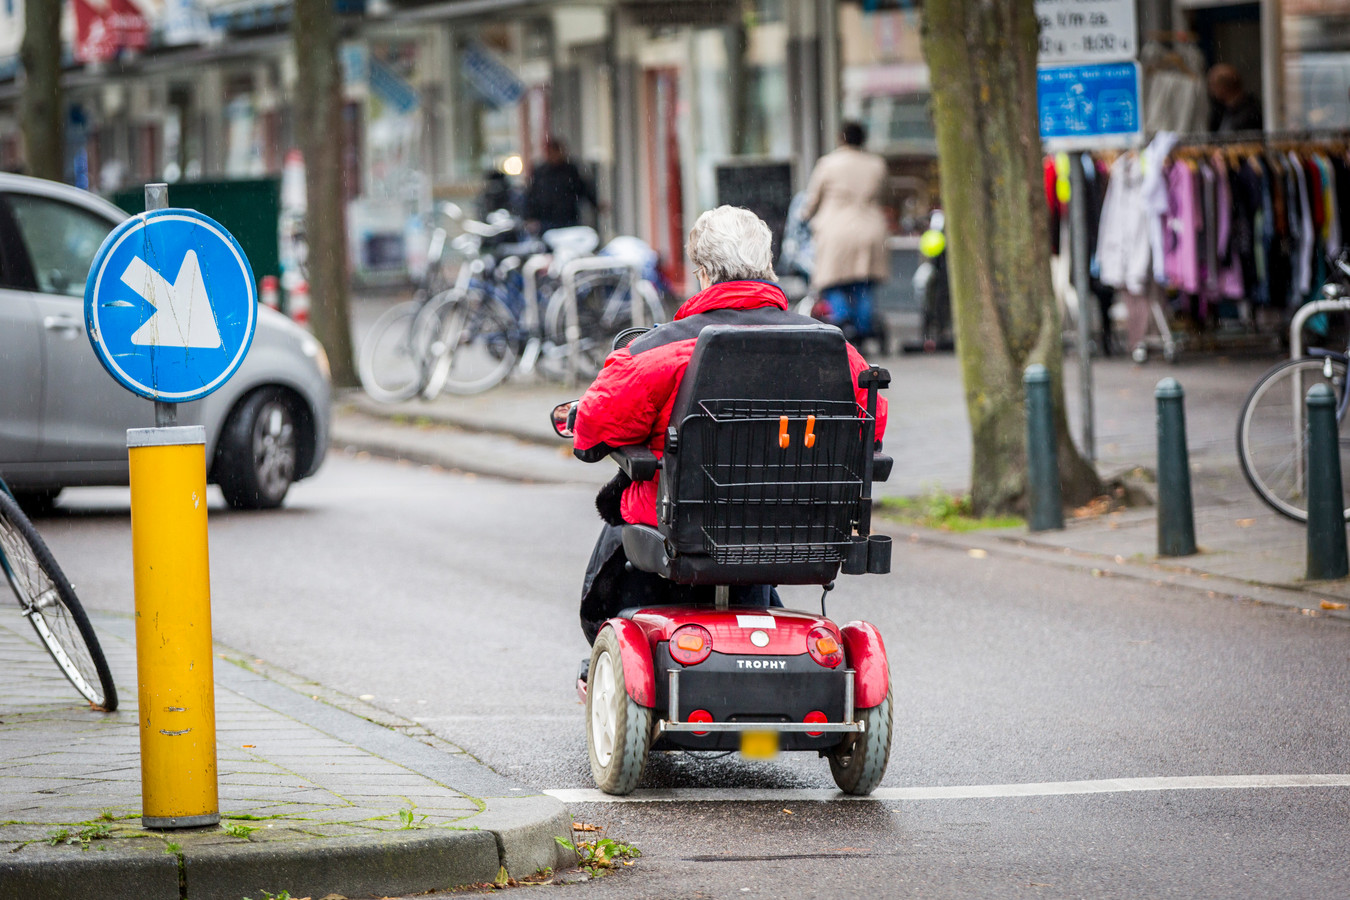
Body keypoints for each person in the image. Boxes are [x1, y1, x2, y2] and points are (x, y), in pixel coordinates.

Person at [569, 205, 889, 649]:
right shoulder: (834, 352)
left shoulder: (660, 351)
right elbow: (870, 430)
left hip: (689, 521)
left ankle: (614, 635)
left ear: (702, 273)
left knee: (625, 504)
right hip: (795, 524)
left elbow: (592, 428)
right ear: (767, 267)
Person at [801, 121, 890, 346]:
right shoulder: (876, 164)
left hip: (836, 230)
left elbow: (813, 200)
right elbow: (886, 196)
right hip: (870, 229)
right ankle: (863, 327)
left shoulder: (828, 164)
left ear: (841, 138)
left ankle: (843, 324)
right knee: (863, 283)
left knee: (832, 283)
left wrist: (805, 215)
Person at [523, 136, 598, 234]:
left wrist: (595, 204)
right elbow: (532, 196)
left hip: (568, 217)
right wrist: (530, 217)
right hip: (546, 219)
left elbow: (583, 189)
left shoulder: (570, 170)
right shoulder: (540, 172)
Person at [1207, 64, 1263, 134]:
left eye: (1213, 84)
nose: (1211, 89)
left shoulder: (1249, 113)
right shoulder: (1222, 110)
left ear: (1224, 87)